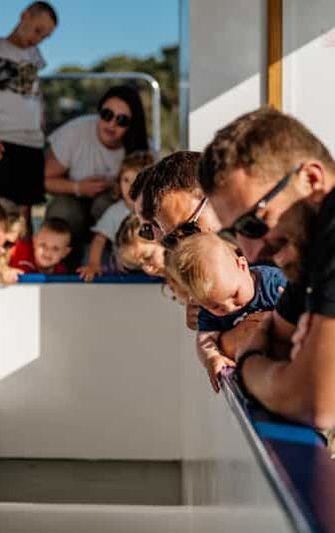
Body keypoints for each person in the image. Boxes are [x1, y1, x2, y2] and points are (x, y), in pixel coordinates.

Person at [198, 108, 335, 428]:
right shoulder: (308, 251)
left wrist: (248, 366)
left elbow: (315, 402)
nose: (251, 251)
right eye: (233, 233)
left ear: (311, 179)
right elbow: (276, 339)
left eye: (253, 223)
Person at [0, 2, 58, 233]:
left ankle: (24, 261)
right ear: (24, 16)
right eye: (38, 30)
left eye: (45, 36)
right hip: (1, 138)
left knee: (26, 211)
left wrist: (42, 130)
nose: (38, 39)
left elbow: (36, 97)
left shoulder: (35, 56)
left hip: (32, 141)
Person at [164, 233, 287, 393]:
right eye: (216, 306)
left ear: (242, 266)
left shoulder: (275, 284)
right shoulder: (208, 311)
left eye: (234, 294)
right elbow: (205, 338)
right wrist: (212, 358)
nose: (229, 307)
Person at [45, 85, 149, 268]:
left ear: (132, 125)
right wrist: (78, 187)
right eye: (107, 114)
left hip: (111, 207)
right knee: (63, 209)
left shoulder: (141, 150)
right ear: (99, 112)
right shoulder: (74, 132)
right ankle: (64, 268)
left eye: (122, 120)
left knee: (110, 206)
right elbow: (43, 180)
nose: (112, 124)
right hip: (74, 203)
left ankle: (123, 264)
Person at [78, 151, 154, 281]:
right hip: (121, 273)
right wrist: (94, 264)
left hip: (152, 272)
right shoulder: (115, 211)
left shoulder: (156, 211)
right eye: (126, 180)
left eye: (137, 181)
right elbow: (99, 239)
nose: (130, 187)